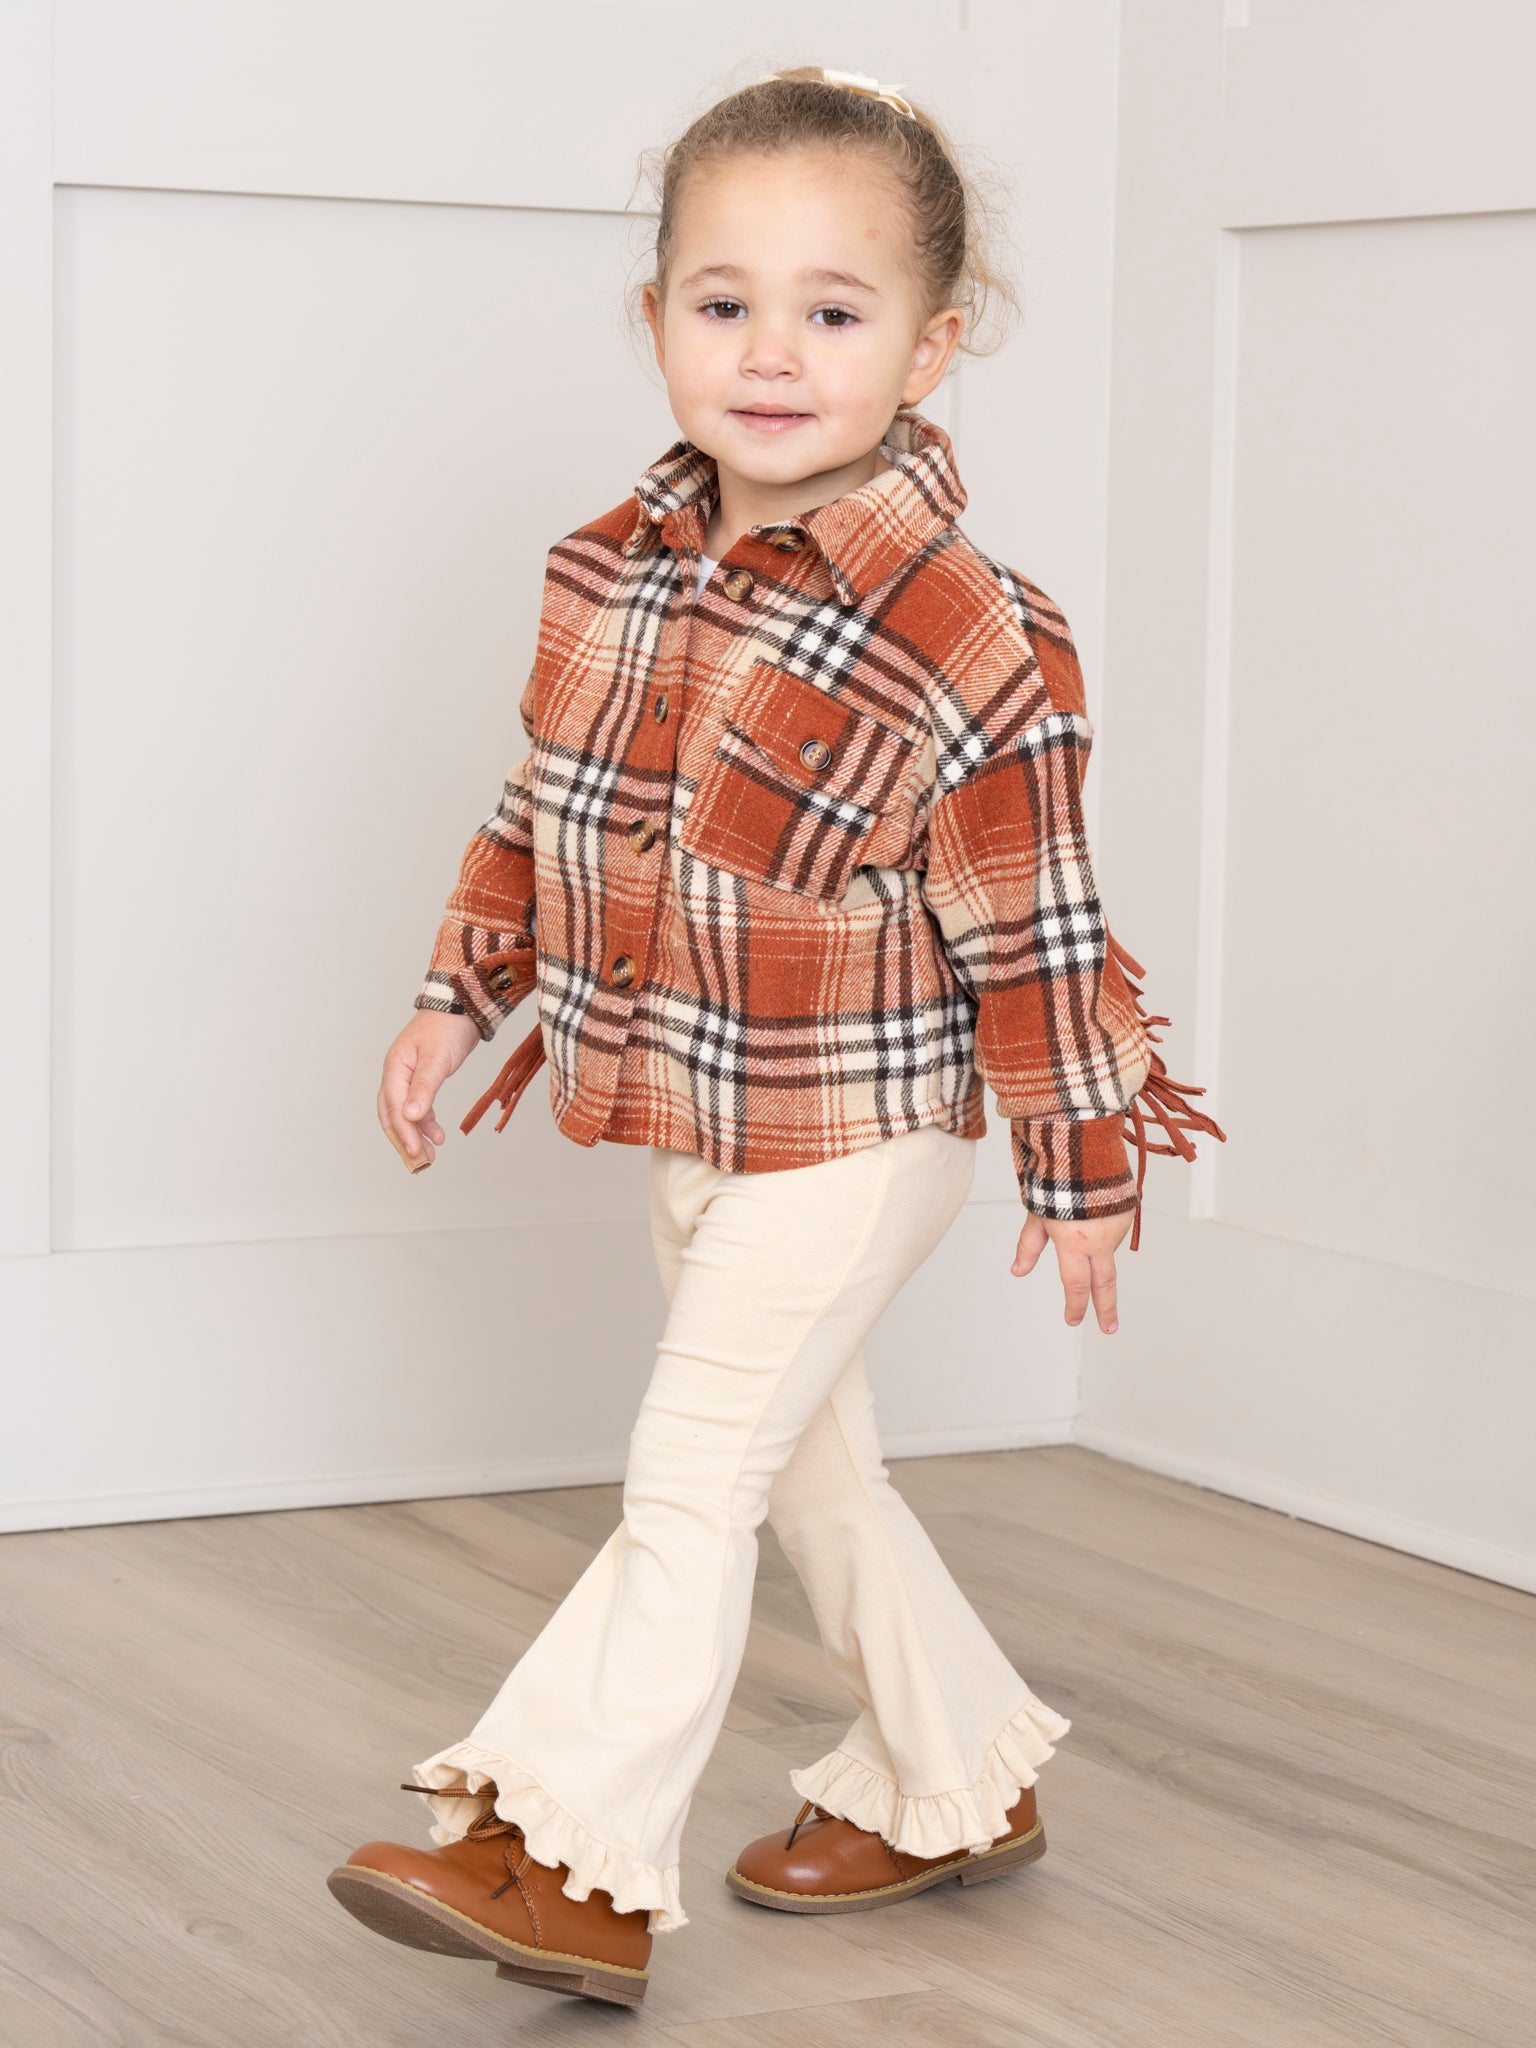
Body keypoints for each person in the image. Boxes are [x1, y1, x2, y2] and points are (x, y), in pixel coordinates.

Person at [326, 62, 1226, 2009]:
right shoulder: (607, 571)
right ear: (654, 315)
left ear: (932, 345)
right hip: (693, 1105)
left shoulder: (964, 626)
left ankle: (565, 1855)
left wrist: (1080, 1161)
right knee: (810, 1472)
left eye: (835, 310)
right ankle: (953, 1776)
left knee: (689, 1475)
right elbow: (544, 806)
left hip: (861, 1127)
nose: (771, 353)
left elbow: (1035, 921)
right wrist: (452, 997)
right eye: (724, 301)